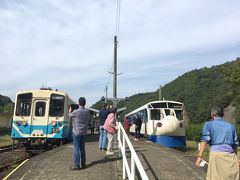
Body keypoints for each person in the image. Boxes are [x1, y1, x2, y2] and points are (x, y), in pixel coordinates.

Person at [195, 106, 239, 180]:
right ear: (222, 115)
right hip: (230, 156)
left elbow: (204, 140)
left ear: (212, 114)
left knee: (215, 177)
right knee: (231, 177)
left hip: (216, 155)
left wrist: (199, 157)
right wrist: (237, 159)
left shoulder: (208, 124)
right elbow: (235, 145)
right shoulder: (231, 126)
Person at [69, 97, 89, 170]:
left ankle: (77, 165)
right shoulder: (87, 111)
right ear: (85, 103)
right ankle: (83, 164)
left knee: (76, 148)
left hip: (76, 132)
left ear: (78, 103)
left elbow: (69, 115)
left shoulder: (75, 112)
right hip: (84, 132)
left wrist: (70, 110)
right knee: (82, 148)